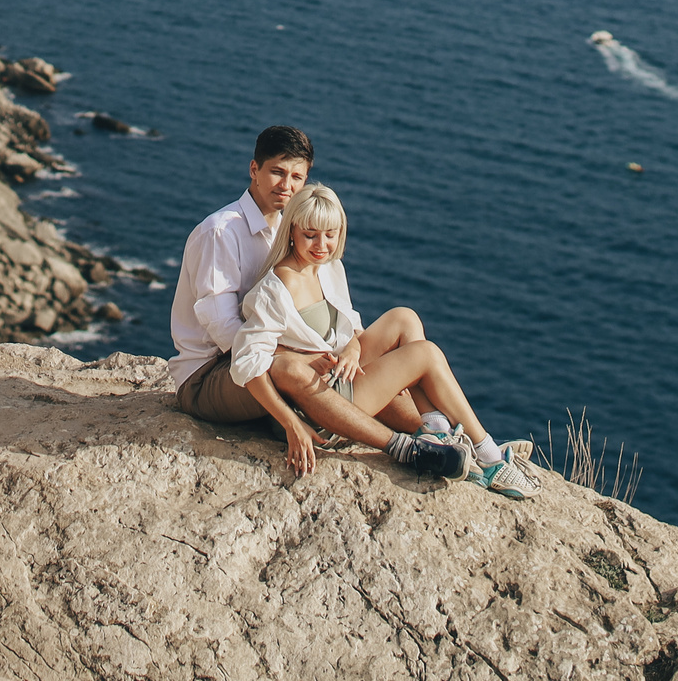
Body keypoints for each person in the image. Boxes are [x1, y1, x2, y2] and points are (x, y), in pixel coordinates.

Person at [169, 126, 467, 478]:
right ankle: (405, 448)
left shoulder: (295, 230)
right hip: (213, 372)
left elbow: (328, 310)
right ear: (254, 170)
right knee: (297, 370)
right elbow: (225, 332)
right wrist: (300, 357)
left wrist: (351, 349)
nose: (286, 185)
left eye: (297, 176)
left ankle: (444, 437)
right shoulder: (222, 232)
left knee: (386, 340)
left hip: (267, 355)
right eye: (277, 172)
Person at [232, 185, 537, 499]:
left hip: (341, 377)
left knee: (404, 318)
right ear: (292, 231)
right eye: (310, 235)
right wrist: (290, 422)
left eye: (330, 234)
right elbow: (246, 362)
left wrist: (352, 347)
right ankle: (489, 457)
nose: (322, 245)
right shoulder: (278, 286)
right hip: (321, 404)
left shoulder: (328, 269)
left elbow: (348, 324)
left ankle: (437, 431)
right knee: (426, 354)